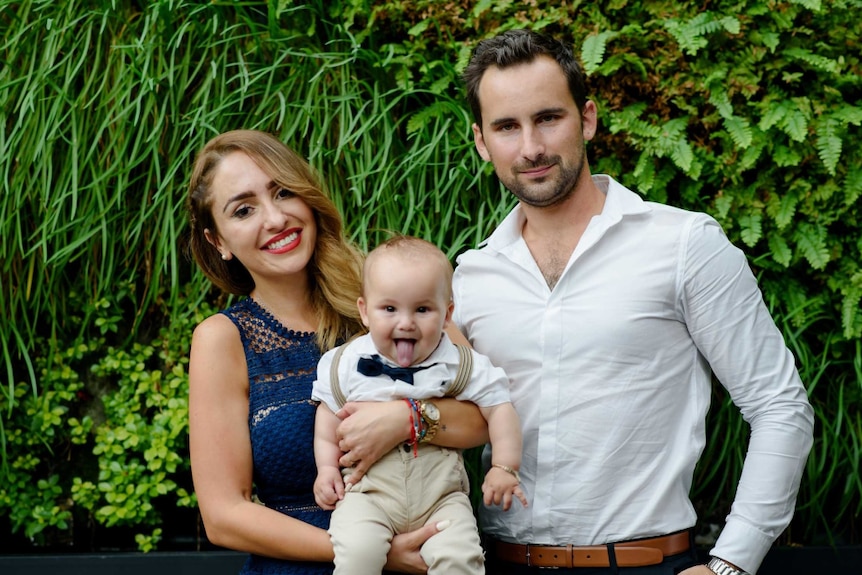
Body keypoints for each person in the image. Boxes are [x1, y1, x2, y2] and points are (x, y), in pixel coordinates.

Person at [452, 29, 815, 575]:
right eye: (507, 126)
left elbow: (779, 405)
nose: (530, 147)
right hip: (500, 561)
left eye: (548, 117)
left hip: (646, 564)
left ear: (588, 119)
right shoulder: (470, 276)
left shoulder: (683, 245)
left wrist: (732, 565)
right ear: (482, 142)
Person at [186, 129, 487, 574]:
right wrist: (369, 550)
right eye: (244, 209)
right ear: (219, 242)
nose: (275, 218)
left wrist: (407, 419)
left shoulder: (389, 295)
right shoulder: (225, 339)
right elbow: (224, 517)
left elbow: (481, 418)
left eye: (283, 191)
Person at [312, 235, 527, 575]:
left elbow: (499, 408)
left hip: (440, 498)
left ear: (446, 315)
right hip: (369, 494)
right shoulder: (344, 364)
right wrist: (326, 469)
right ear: (364, 311)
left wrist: (504, 466)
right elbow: (327, 419)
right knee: (356, 551)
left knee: (460, 557)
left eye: (423, 309)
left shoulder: (460, 363)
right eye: (389, 309)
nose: (406, 322)